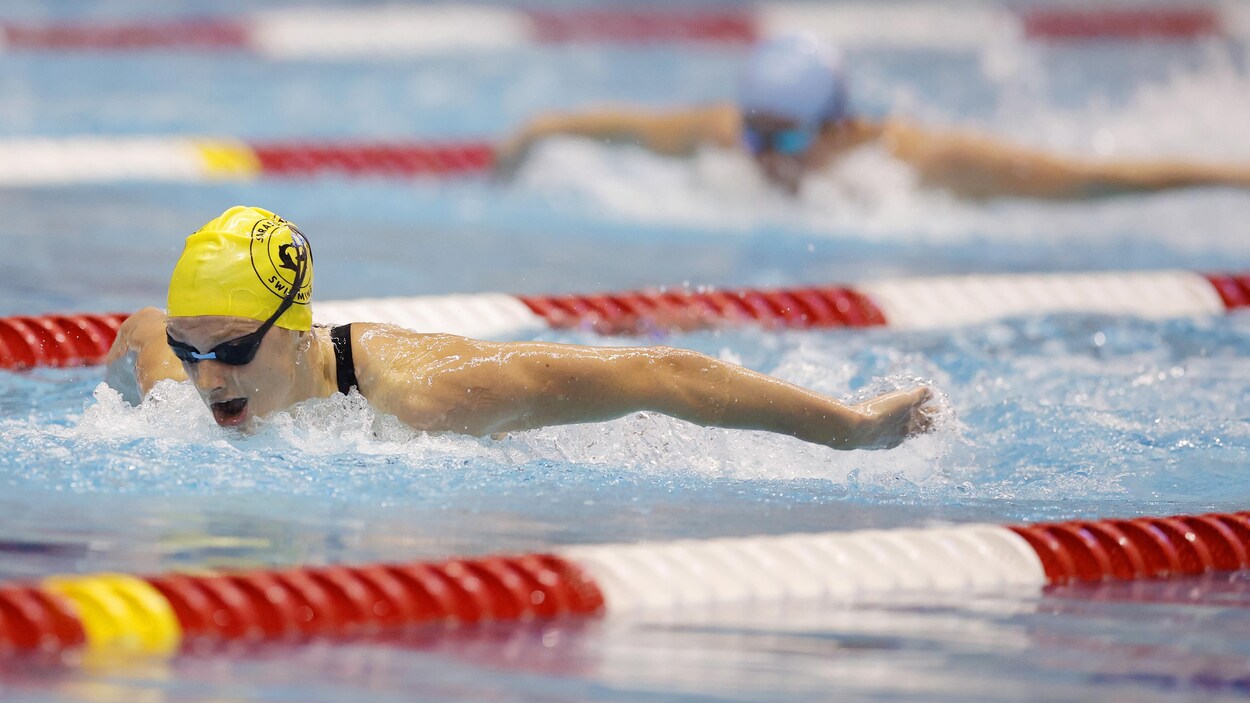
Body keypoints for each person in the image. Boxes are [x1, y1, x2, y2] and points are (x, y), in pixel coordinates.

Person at [103, 206, 934, 450]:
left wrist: (849, 430)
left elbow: (657, 377)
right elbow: (141, 326)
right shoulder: (173, 367)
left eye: (233, 348)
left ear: (296, 327)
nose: (208, 377)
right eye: (192, 347)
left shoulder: (426, 398)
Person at [497, 33, 1250, 198]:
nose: (763, 153)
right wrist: (538, 130)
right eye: (754, 130)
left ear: (839, 126)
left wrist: (1227, 175)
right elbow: (619, 125)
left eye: (784, 135)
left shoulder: (921, 161)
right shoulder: (727, 133)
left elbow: (1094, 179)